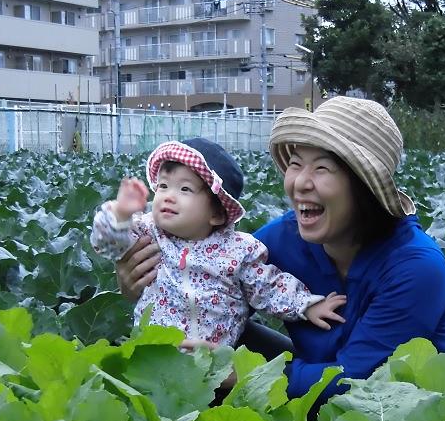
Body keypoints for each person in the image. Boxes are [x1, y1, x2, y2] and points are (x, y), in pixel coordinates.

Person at [116, 99, 445, 403]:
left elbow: (357, 381)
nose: (300, 183)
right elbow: (209, 274)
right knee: (199, 340)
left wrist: (243, 374)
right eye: (295, 164)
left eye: (322, 168)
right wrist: (142, 283)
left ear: (364, 188)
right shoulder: (280, 239)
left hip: (425, 411)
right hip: (314, 390)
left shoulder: (416, 267)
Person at [91, 137, 347, 348]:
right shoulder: (148, 232)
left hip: (216, 368)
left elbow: (268, 286)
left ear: (217, 214)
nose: (168, 196)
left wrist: (307, 305)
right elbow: (108, 243)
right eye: (164, 186)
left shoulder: (238, 251)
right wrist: (119, 214)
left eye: (185, 190)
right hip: (154, 357)